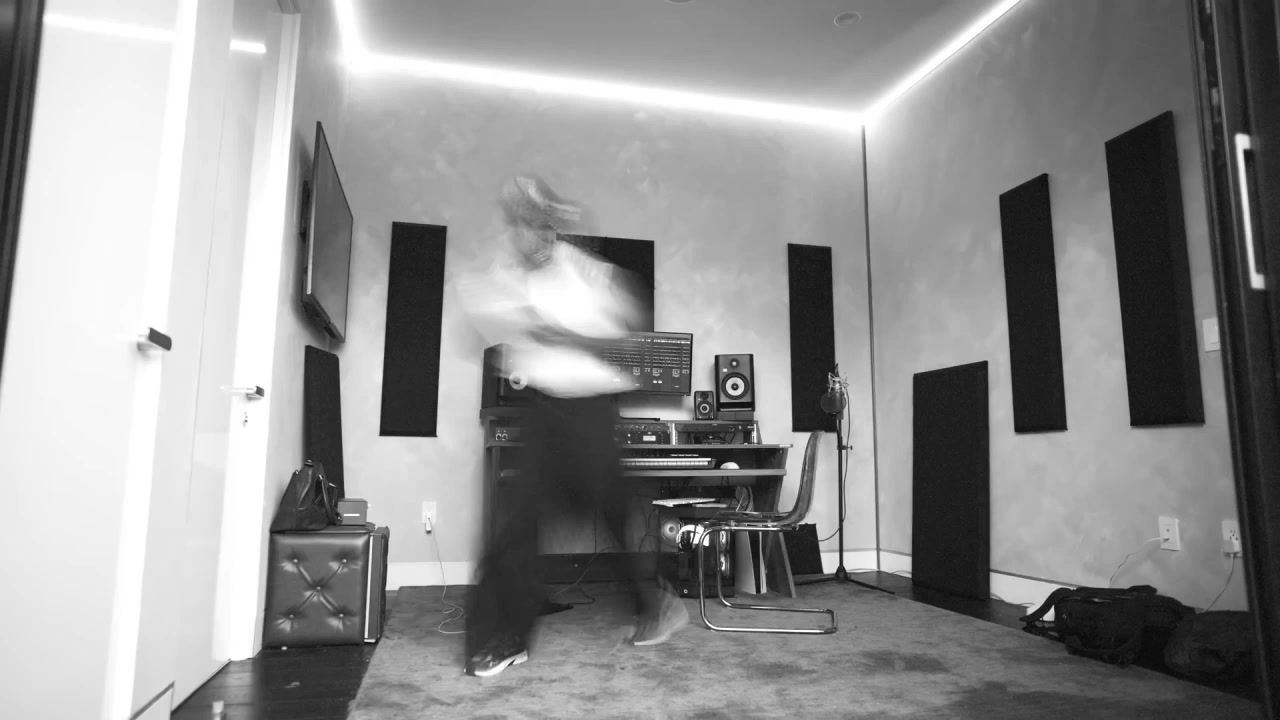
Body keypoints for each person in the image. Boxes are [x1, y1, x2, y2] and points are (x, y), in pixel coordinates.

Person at [455, 174, 688, 678]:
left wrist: (560, 333)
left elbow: (624, 330)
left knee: (614, 516)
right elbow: (480, 313)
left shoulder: (586, 272)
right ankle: (504, 636)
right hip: (542, 412)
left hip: (590, 412)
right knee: (517, 524)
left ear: (551, 226)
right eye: (520, 225)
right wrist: (510, 318)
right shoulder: (504, 272)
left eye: (538, 224)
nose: (529, 236)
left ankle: (653, 607)